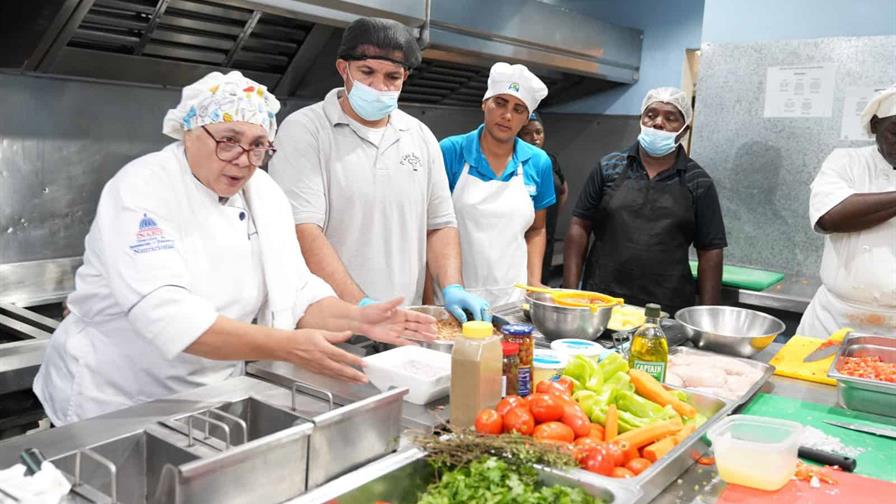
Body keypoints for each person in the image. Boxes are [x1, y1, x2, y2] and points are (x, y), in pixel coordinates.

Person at [33, 71, 436, 426]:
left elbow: (297, 291)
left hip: (210, 396)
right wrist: (288, 346)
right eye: (229, 141)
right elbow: (170, 318)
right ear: (189, 132)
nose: (244, 160)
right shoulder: (143, 188)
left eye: (259, 145)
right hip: (115, 400)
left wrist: (360, 318)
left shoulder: (264, 193)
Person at [269, 17, 490, 323]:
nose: (379, 86)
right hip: (329, 322)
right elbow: (303, 229)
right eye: (367, 72)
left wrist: (452, 285)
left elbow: (439, 224)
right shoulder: (306, 130)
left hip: (402, 321)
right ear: (343, 69)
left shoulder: (420, 136)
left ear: (405, 77)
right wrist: (361, 307)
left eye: (392, 77)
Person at [564, 87, 726, 314]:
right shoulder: (609, 167)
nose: (658, 122)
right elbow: (579, 225)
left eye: (670, 118)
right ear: (641, 119)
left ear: (684, 129)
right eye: (651, 115)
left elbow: (710, 251)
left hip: (665, 307)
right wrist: (571, 293)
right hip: (602, 301)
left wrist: (708, 317)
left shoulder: (698, 181)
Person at [437, 62, 555, 306]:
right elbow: (431, 227)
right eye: (500, 103)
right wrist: (431, 301)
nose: (507, 115)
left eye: (518, 109)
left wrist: (533, 281)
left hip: (512, 299)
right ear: (484, 104)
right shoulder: (451, 151)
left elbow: (537, 229)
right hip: (455, 298)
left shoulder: (538, 162)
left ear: (525, 119)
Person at [797, 85, 896, 338]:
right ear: (875, 125)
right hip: (835, 322)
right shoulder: (846, 161)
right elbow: (830, 217)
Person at [519, 112, 568, 284]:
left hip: (544, 234)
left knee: (540, 281)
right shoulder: (515, 161)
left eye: (539, 132)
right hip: (521, 236)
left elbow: (562, 190)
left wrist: (549, 213)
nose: (535, 138)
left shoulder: (549, 161)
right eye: (527, 133)